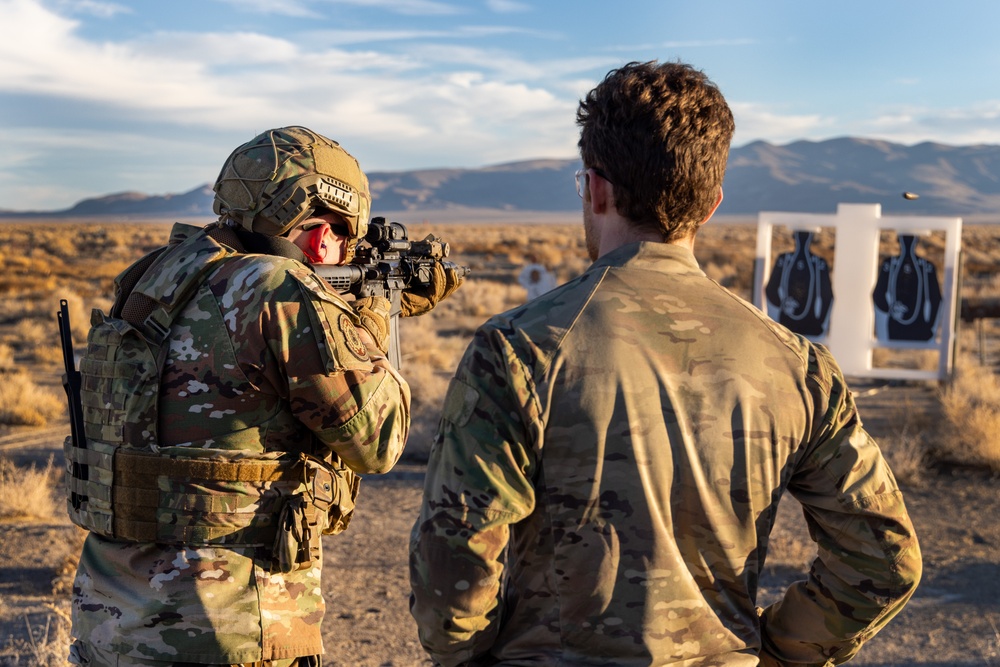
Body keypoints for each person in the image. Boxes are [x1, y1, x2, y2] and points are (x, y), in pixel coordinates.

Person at [409, 62, 921, 666]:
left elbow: (454, 568)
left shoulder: (521, 350)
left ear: (596, 189)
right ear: (710, 205)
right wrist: (777, 649)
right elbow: (885, 560)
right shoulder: (798, 366)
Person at [65, 125, 461, 667]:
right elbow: (380, 439)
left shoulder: (155, 275)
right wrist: (367, 314)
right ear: (323, 232)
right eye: (345, 240)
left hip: (111, 620)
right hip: (226, 627)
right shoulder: (278, 289)